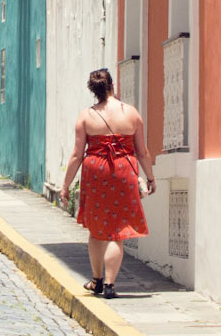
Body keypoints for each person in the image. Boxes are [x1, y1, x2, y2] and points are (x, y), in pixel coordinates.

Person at [60, 67, 155, 299]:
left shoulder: (86, 116)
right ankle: (111, 284)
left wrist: (65, 185)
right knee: (117, 230)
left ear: (93, 91)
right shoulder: (131, 113)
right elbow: (142, 152)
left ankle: (97, 280)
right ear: (112, 85)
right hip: (124, 170)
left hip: (96, 171)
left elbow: (76, 155)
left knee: (97, 229)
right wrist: (150, 177)